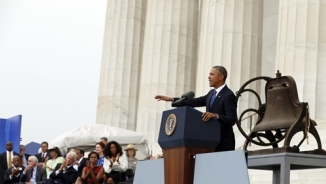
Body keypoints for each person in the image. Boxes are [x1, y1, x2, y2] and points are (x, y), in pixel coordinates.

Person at [154, 66, 237, 152]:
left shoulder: (228, 95)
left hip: (223, 143)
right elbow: (195, 102)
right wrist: (172, 99)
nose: (208, 77)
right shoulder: (211, 93)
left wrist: (215, 116)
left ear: (221, 77)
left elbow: (231, 119)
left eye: (212, 74)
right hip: (210, 141)